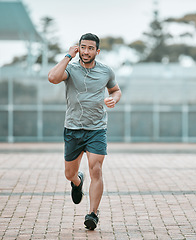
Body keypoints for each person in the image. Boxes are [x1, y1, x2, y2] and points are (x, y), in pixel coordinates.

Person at [48, 33, 122, 230]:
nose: (86, 51)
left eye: (90, 48)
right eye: (83, 47)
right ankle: (77, 181)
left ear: (97, 51)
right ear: (78, 48)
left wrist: (114, 99)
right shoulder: (70, 69)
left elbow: (116, 90)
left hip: (97, 129)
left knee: (96, 169)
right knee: (69, 173)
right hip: (73, 129)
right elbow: (53, 78)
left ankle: (93, 214)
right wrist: (67, 56)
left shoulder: (106, 71)